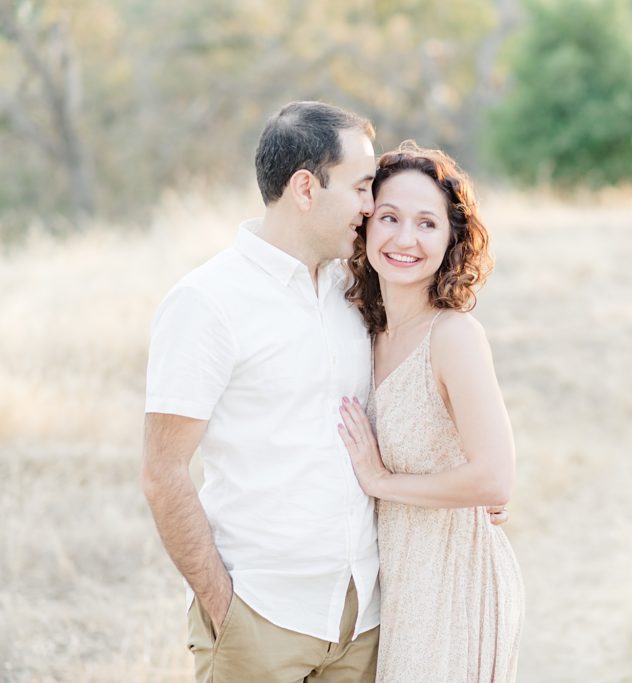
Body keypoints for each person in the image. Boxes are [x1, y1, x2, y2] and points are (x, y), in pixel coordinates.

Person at [141, 101, 506, 683]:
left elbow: (423, 403)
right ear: (306, 188)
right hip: (263, 616)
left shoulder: (356, 290)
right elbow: (163, 472)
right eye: (363, 188)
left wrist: (468, 482)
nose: (370, 207)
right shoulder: (208, 303)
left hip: (368, 617)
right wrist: (223, 606)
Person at [338, 141, 524, 682]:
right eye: (390, 217)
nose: (404, 239)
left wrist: (381, 480)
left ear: (451, 240)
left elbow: (495, 477)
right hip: (393, 585)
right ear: (366, 226)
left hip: (454, 580)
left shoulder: (453, 336)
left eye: (427, 224)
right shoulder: (361, 333)